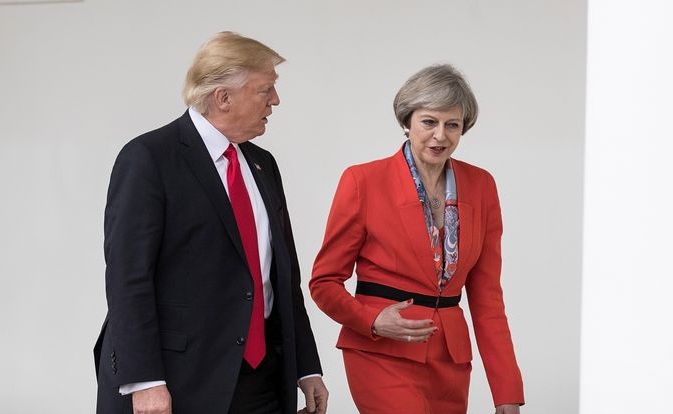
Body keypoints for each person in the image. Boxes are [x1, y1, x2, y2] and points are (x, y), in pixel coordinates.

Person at [94, 31, 328, 414]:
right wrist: (147, 381)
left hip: (262, 378)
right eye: (265, 89)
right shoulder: (149, 159)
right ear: (223, 98)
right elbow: (127, 279)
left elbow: (283, 278)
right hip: (179, 380)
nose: (275, 100)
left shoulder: (262, 164)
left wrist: (306, 366)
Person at [309, 64, 524, 414]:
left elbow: (488, 300)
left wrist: (507, 391)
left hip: (450, 360)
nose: (440, 136)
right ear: (407, 121)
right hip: (381, 351)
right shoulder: (363, 181)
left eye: (452, 125)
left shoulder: (482, 185)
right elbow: (323, 282)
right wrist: (372, 320)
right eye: (429, 122)